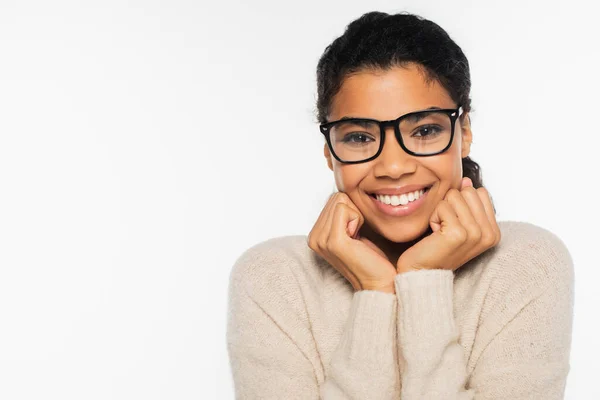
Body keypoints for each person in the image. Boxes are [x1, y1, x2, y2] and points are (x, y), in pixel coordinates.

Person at [226, 11, 574, 399]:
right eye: (359, 137)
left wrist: (423, 278)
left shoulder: (525, 264)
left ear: (465, 134)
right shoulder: (274, 279)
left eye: (425, 130)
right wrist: (374, 291)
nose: (393, 167)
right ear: (329, 152)